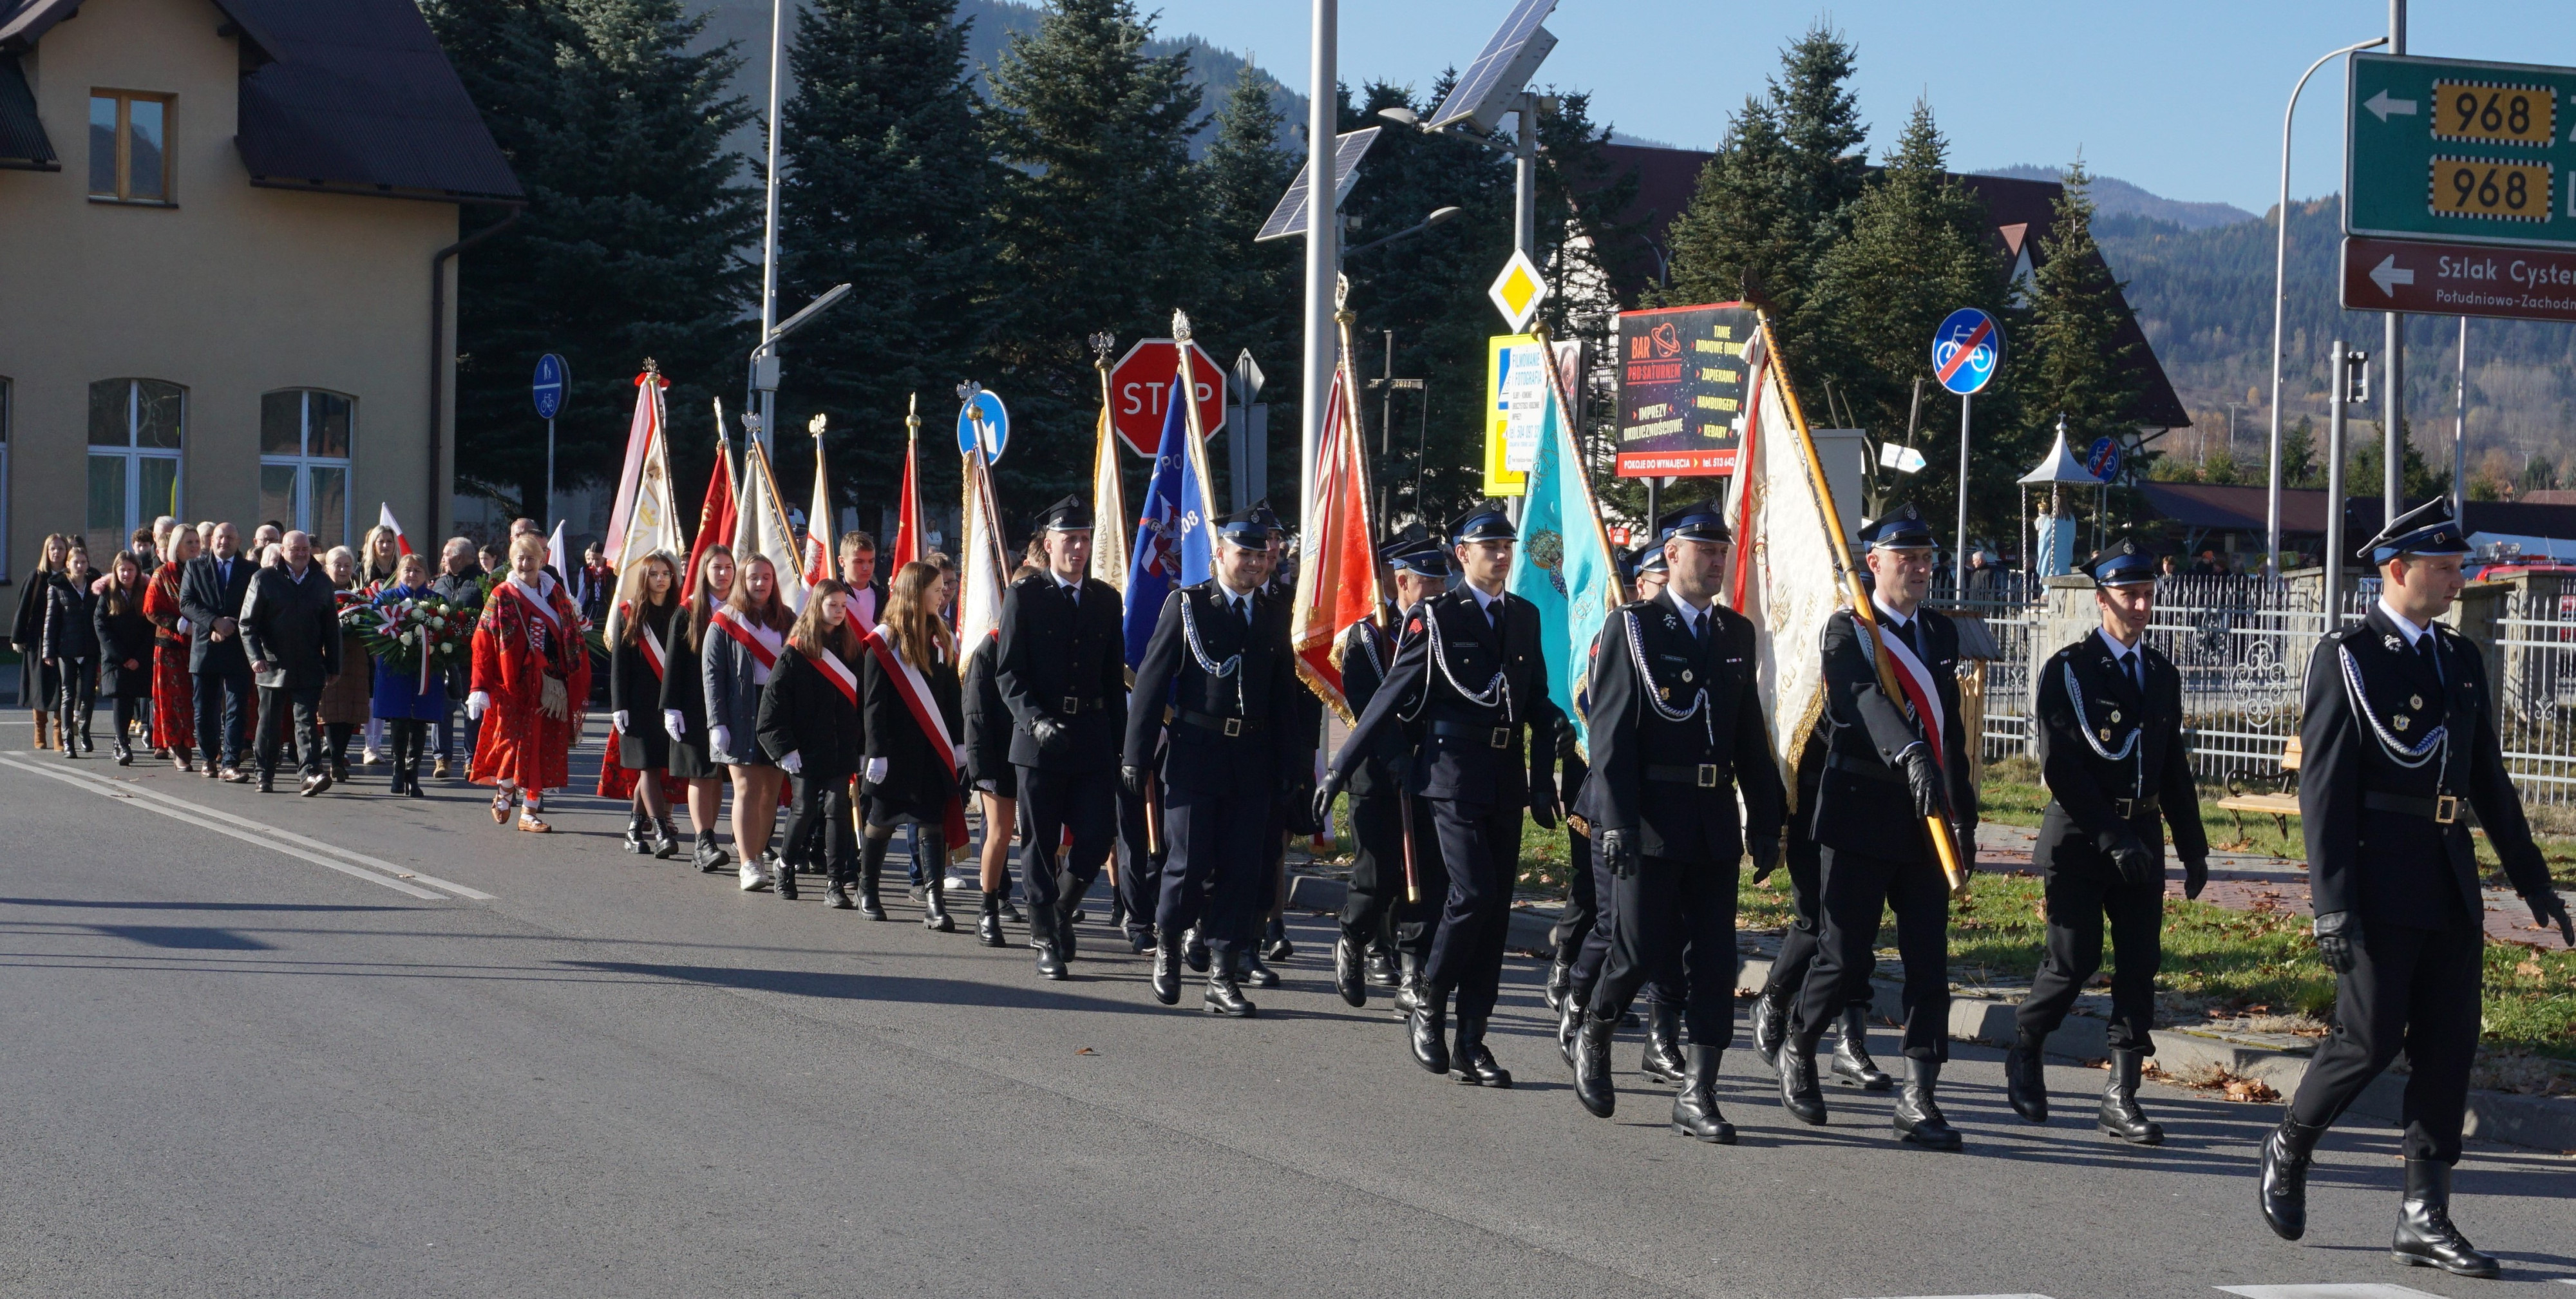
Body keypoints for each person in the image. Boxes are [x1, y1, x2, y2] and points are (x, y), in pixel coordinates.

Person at [2257, 498, 2573, 1276]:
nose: (2457, 579)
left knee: (2447, 1046)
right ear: (2397, 571)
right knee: (2368, 1039)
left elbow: (2488, 781)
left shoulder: (2458, 658)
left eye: (2458, 565)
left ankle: (2423, 1214)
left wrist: (2531, 879)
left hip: (2445, 873)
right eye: (2443, 567)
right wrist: (2330, 901)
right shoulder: (2349, 655)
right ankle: (2289, 1142)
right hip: (2373, 876)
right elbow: (2323, 791)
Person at [1314, 504, 1562, 1087]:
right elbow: (1386, 699)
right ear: (1462, 556)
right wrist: (1337, 770)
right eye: (1488, 546)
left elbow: (1536, 701)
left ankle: (1473, 1038)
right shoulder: (1437, 617)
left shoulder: (1523, 617)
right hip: (1449, 774)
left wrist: (1556, 754)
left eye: (1507, 545)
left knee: (1495, 909)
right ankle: (1428, 995)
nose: (1500, 555)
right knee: (1471, 891)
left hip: (1503, 776)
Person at [1567, 506, 1787, 1139]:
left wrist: (1767, 818)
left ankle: (1698, 1092)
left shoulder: (1733, 634)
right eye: (1704, 550)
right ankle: (1596, 1027)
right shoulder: (1632, 628)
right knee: (1635, 950)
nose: (1715, 561)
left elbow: (1750, 734)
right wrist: (1616, 824)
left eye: (1722, 551)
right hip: (1651, 822)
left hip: (1713, 823)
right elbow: (1609, 739)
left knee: (1715, 963)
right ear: (1671, 557)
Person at [1776, 506, 1978, 1149]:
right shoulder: (1848, 632)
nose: (1919, 569)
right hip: (1861, 808)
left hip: (1924, 822)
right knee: (1844, 955)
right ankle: (1800, 1043)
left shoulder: (1941, 635)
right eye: (1905, 559)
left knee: (1928, 963)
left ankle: (1919, 1096)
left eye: (1925, 558)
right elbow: (1857, 701)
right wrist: (1906, 749)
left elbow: (1951, 736)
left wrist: (1964, 816)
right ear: (1874, 564)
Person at [2005, 538, 2210, 1144]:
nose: (2141, 605)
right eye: (2129, 595)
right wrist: (2110, 834)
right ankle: (2026, 1044)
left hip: (2141, 834)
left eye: (2148, 594)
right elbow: (2062, 766)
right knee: (2074, 959)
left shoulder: (2163, 674)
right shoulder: (2069, 671)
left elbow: (2174, 766)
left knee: (2140, 965)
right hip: (2081, 836)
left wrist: (2194, 846)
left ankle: (2121, 1094)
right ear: (2102, 600)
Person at [1123, 510, 1302, 1015]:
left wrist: (1291, 763)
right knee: (1187, 864)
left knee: (1242, 869)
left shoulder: (1271, 612)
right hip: (1197, 755)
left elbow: (1282, 695)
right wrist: (1136, 755)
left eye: (1260, 554)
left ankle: (1223, 973)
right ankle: (1168, 950)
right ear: (1219, 554)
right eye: (1242, 553)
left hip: (1253, 759)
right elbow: (1153, 682)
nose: (1253, 563)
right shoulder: (1188, 606)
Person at [994, 497, 1128, 981]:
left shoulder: (1105, 599)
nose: (1077, 547)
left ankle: (1061, 910)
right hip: (1039, 741)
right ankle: (1044, 935)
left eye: (1084, 538)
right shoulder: (1025, 596)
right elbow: (1008, 673)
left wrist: (1125, 747)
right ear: (1047, 544)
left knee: (1096, 836)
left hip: (1091, 736)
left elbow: (1113, 679)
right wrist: (1033, 720)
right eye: (1068, 538)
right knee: (1039, 841)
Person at [1329, 533, 1448, 1010]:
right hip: (1378, 771)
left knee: (1424, 878)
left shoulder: (1443, 630)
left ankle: (1412, 971)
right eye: (1430, 583)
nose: (1440, 591)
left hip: (1431, 768)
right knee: (1376, 878)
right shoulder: (1367, 637)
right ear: (1402, 582)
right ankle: (1353, 938)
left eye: (1443, 581)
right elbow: (1368, 705)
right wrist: (1397, 755)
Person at [857, 562, 971, 925]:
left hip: (931, 749)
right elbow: (873, 704)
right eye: (936, 590)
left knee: (931, 822)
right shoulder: (882, 643)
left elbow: (952, 697)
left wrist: (958, 743)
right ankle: (868, 888)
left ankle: (934, 901)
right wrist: (875, 752)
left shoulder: (940, 635)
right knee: (881, 821)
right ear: (914, 593)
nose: (943, 595)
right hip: (893, 751)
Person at [466, 532, 590, 830]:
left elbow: (572, 634)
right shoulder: (502, 595)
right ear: (511, 561)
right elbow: (483, 643)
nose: (526, 563)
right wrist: (478, 687)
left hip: (551, 685)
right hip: (513, 686)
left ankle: (530, 812)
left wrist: (575, 678)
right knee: (512, 743)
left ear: (542, 560)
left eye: (531, 558)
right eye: (520, 558)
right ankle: (506, 789)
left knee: (544, 746)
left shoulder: (557, 594)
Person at [754, 578, 864, 905]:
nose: (840, 612)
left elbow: (862, 701)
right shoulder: (796, 652)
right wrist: (783, 749)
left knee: (837, 808)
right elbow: (771, 708)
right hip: (803, 750)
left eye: (844, 606)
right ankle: (786, 866)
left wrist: (862, 747)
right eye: (833, 606)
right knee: (803, 809)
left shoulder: (851, 649)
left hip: (840, 747)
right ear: (818, 606)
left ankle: (835, 883)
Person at [705, 552, 792, 887]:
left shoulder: (787, 619)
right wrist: (717, 723)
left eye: (766, 577)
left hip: (776, 713)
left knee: (771, 791)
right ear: (742, 579)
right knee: (746, 789)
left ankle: (757, 854)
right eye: (753, 577)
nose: (760, 583)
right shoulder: (724, 621)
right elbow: (712, 675)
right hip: (739, 712)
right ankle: (748, 864)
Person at [960, 556, 1031, 946]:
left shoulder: (1042, 641)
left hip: (1035, 754)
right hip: (999, 756)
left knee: (1043, 836)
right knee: (1001, 834)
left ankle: (1043, 904)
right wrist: (980, 767)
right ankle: (988, 910)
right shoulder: (990, 646)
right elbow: (976, 712)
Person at [240, 531, 342, 795]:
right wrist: (256, 658)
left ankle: (310, 774)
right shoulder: (264, 579)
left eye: (304, 549)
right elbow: (248, 624)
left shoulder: (321, 581)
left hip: (309, 663)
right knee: (270, 723)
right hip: (273, 665)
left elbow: (332, 628)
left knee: (307, 722)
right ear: (283, 551)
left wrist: (334, 665)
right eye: (294, 549)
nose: (300, 554)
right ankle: (264, 774)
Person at [663, 546, 737, 872]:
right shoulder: (688, 612)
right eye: (716, 567)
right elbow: (674, 664)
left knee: (717, 774)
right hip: (694, 704)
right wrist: (671, 707)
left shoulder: (742, 610)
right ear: (704, 571)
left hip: (730, 704)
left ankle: (709, 837)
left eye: (728, 567)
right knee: (700, 773)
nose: (723, 574)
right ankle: (703, 841)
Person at [607, 551, 684, 857]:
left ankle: (634, 829)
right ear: (644, 578)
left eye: (666, 573)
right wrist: (618, 705)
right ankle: (662, 831)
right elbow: (619, 665)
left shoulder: (680, 612)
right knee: (649, 768)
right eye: (654, 574)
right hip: (637, 704)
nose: (661, 579)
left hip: (668, 704)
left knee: (651, 768)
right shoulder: (629, 613)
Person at [180, 522, 258, 780]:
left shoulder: (250, 570)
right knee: (205, 708)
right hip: (205, 645)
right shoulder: (195, 566)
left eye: (230, 538)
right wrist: (214, 622)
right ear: (211, 541)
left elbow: (254, 603)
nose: (225, 542)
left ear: (239, 542)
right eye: (220, 537)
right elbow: (187, 603)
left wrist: (230, 625)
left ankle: (230, 762)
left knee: (237, 707)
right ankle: (208, 757)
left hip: (238, 645)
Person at [369, 553, 448, 797]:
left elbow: (448, 632)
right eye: (408, 570)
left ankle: (413, 775)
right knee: (400, 719)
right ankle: (398, 770)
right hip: (395, 667)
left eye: (417, 570)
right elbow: (374, 629)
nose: (412, 575)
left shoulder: (437, 601)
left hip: (426, 669)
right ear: (400, 573)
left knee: (419, 720)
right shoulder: (387, 598)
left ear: (426, 575)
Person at [143, 525, 200, 770]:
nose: (195, 547)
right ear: (177, 546)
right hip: (171, 648)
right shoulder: (163, 574)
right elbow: (151, 610)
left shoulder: (203, 571)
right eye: (189, 542)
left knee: (198, 699)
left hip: (200, 644)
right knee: (174, 699)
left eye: (197, 542)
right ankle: (178, 748)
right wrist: (180, 624)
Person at [316, 546, 373, 786]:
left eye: (346, 565)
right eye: (337, 565)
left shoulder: (360, 596)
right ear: (327, 568)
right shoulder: (318, 590)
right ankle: (336, 760)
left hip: (356, 657)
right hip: (326, 655)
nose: (342, 569)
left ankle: (339, 757)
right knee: (330, 709)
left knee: (351, 710)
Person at [428, 538, 485, 778]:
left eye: (445, 554)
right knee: (441, 706)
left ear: (460, 557)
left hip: (471, 656)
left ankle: (472, 759)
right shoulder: (440, 583)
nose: (442, 559)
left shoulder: (481, 584)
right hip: (443, 656)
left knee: (472, 710)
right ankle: (443, 758)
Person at [94, 550, 156, 764]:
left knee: (136, 698)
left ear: (137, 572)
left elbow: (151, 628)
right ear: (116, 571)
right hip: (117, 659)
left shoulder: (145, 593)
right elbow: (101, 628)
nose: (127, 574)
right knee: (121, 699)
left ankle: (131, 737)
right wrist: (123, 657)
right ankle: (122, 743)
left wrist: (138, 657)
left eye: (131, 570)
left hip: (140, 657)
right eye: (123, 570)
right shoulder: (108, 595)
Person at [13, 532, 72, 751]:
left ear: (67, 552)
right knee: (39, 687)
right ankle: (40, 732)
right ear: (47, 552)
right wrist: (18, 638)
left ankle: (59, 734)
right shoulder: (37, 577)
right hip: (37, 640)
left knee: (61, 686)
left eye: (61, 548)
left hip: (64, 639)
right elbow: (23, 608)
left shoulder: (70, 577)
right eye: (53, 548)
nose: (57, 552)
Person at [41, 545, 100, 757]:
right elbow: (51, 622)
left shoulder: (94, 586)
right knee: (68, 694)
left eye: (84, 562)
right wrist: (48, 651)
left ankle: (84, 731)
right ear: (68, 565)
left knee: (88, 694)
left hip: (90, 648)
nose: (80, 566)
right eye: (76, 562)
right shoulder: (58, 588)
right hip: (66, 649)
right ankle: (68, 740)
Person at [355, 522, 404, 764]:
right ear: (373, 545)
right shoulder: (361, 572)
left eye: (389, 541)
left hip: (396, 636)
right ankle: (370, 746)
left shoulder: (402, 570)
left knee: (390, 689)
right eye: (381, 541)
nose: (385, 546)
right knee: (372, 690)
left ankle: (387, 745)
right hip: (369, 636)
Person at [838, 531, 886, 629]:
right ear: (842, 561)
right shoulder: (832, 595)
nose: (866, 567)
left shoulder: (883, 596)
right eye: (859, 561)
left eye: (871, 561)